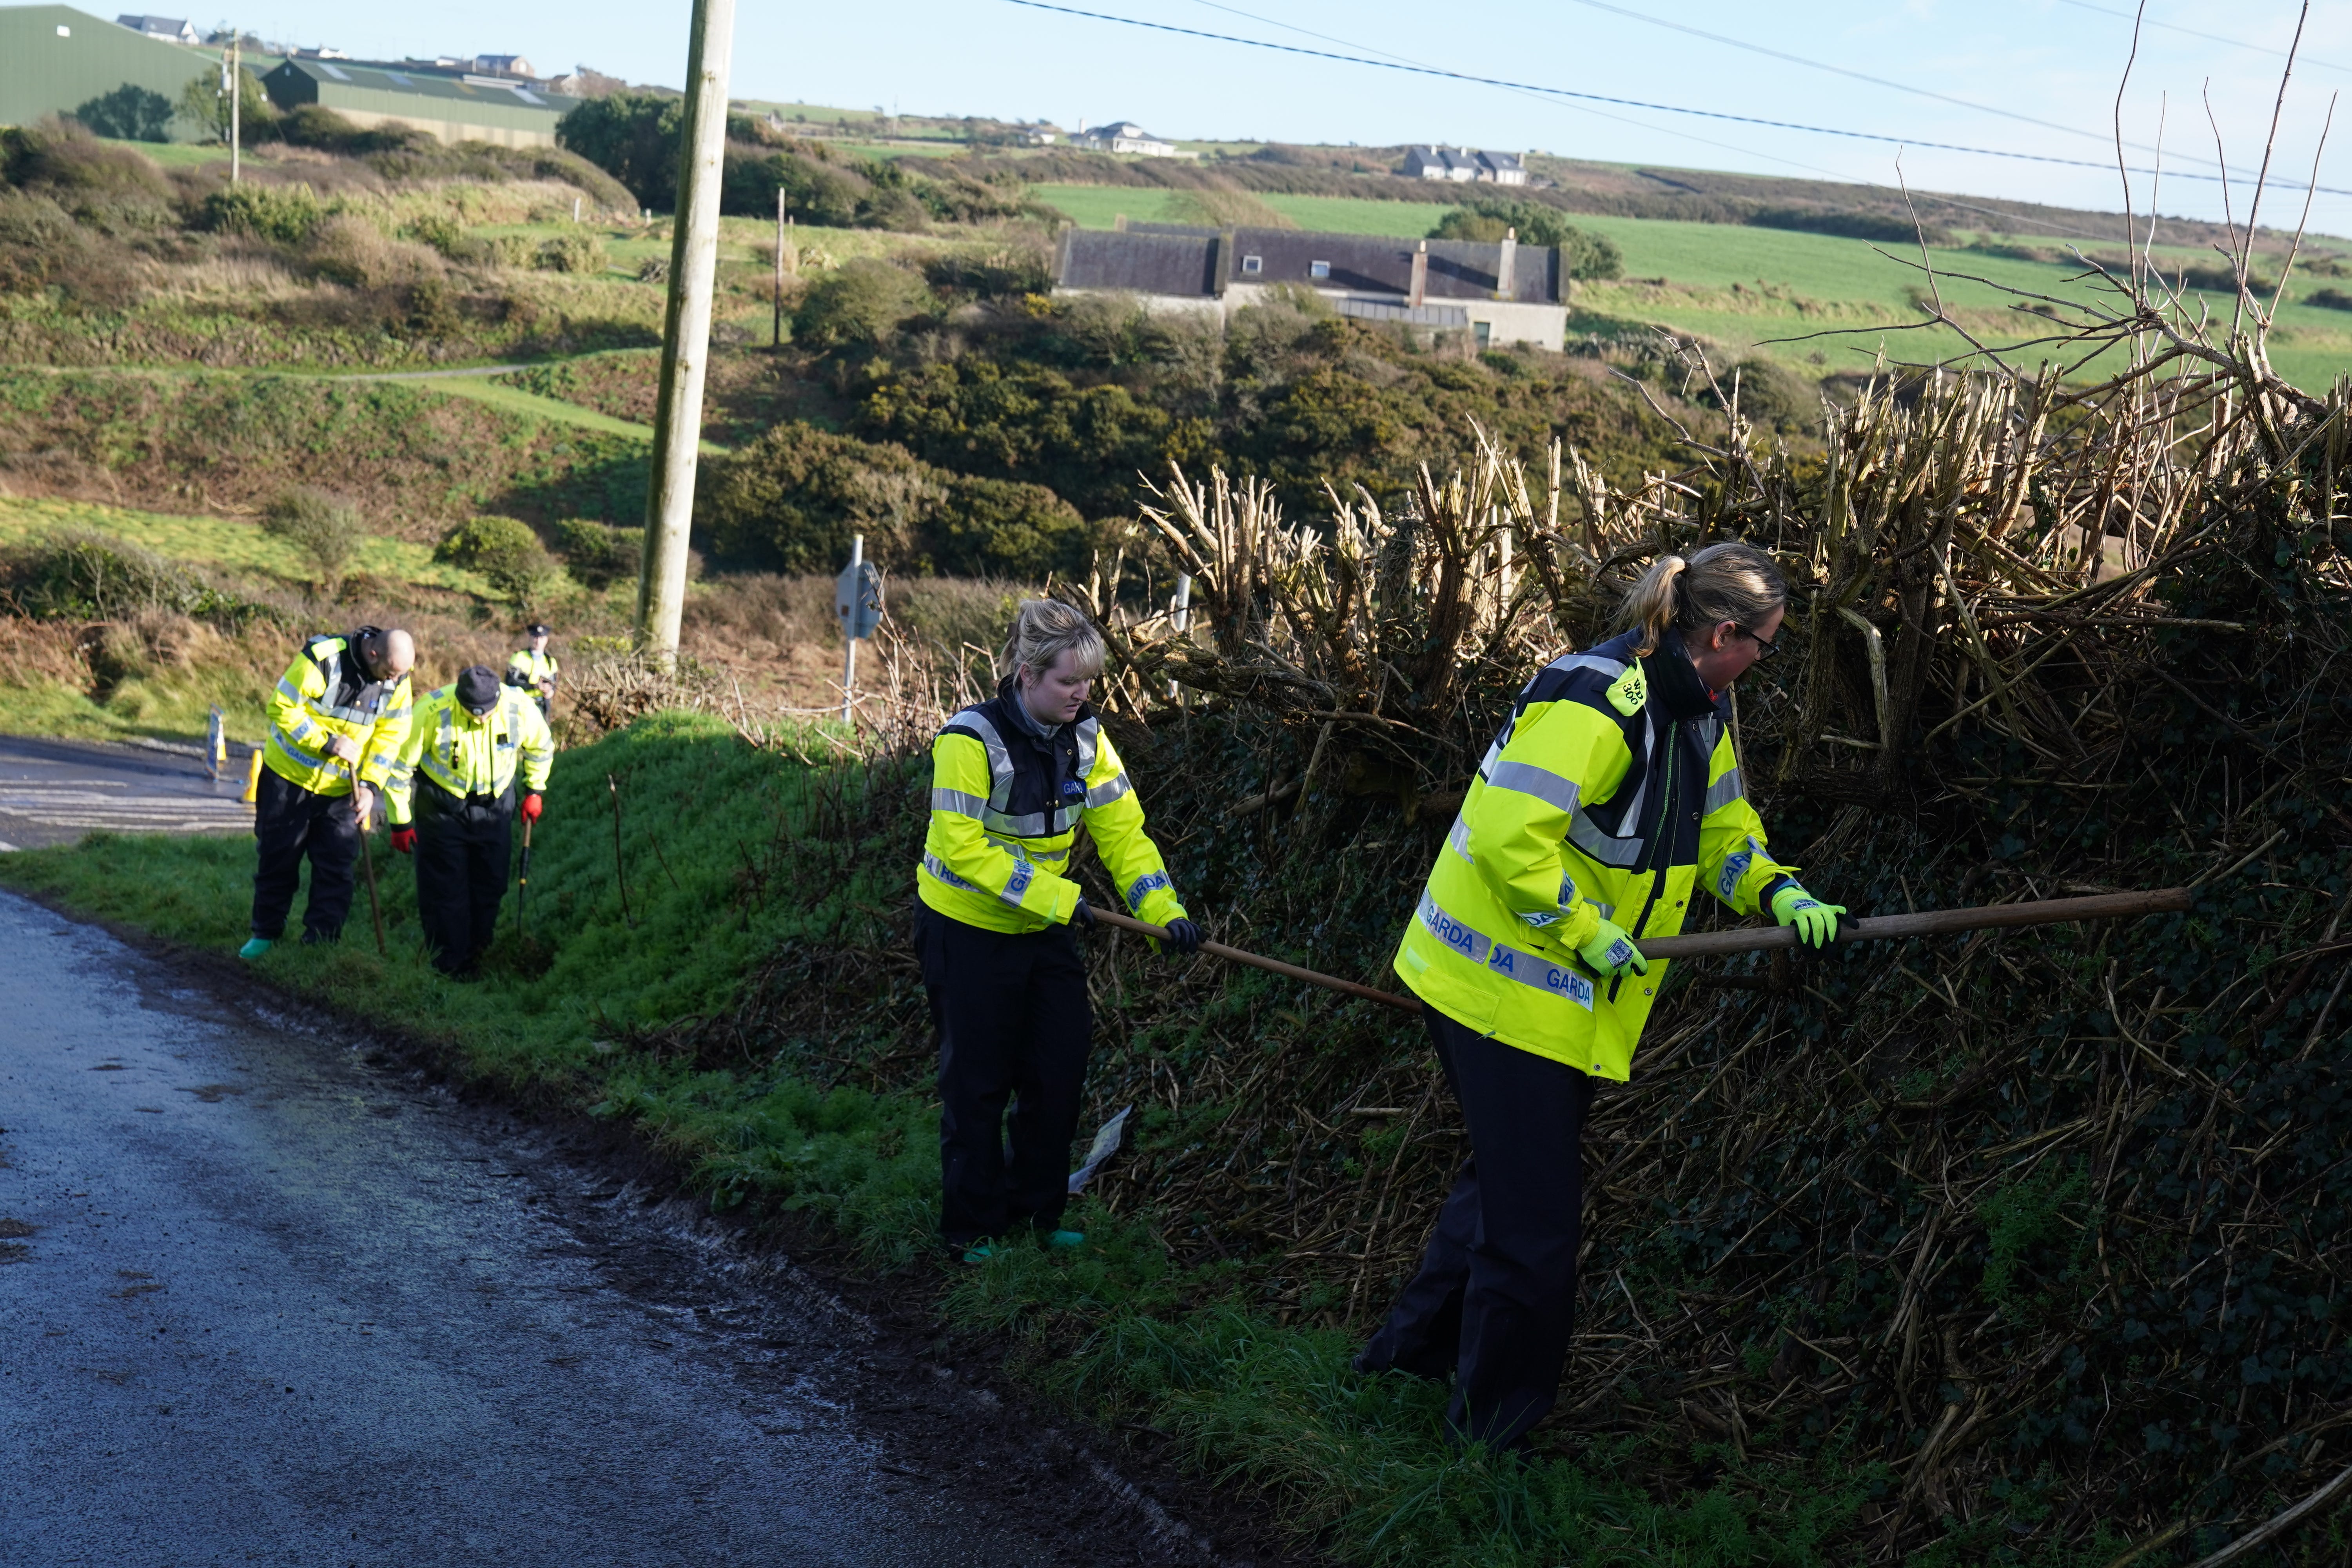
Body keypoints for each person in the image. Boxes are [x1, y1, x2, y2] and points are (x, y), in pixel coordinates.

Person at [1356, 541, 1849, 1452]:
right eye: (1767, 646)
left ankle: (1405, 1358)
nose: (1765, 666)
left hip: (1558, 991)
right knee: (1534, 1228)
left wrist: (1777, 889)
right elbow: (1511, 842)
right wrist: (1588, 932)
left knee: (1503, 1185)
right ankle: (1491, 1432)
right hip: (1496, 983)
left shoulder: (1703, 704)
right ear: (1725, 632)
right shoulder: (1594, 701)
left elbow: (1724, 830)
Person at [915, 599, 1202, 1263]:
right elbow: (961, 848)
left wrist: (1166, 913)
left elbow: (1125, 836)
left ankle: (1038, 1213)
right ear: (1026, 674)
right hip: (967, 931)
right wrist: (1053, 897)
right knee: (978, 1085)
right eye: (1068, 681)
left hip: (1044, 929)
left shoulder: (1089, 741)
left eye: (1089, 682)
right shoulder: (968, 740)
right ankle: (972, 1231)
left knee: (1058, 1072)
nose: (1082, 695)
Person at [241, 626, 416, 958]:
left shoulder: (399, 678)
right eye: (390, 672)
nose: (394, 680)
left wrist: (370, 787)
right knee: (278, 859)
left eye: (400, 675)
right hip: (288, 778)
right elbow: (282, 707)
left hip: (342, 792)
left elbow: (391, 736)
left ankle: (321, 945)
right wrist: (327, 742)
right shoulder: (323, 658)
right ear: (373, 653)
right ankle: (265, 934)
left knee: (336, 867)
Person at [383, 664, 554, 978]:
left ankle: (480, 955)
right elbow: (398, 769)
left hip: (496, 807)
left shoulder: (519, 708)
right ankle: (449, 966)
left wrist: (535, 789)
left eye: (486, 714)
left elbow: (541, 749)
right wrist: (400, 822)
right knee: (446, 891)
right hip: (442, 808)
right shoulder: (431, 710)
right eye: (472, 713)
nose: (480, 719)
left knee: (491, 884)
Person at [505, 624, 558, 718]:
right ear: (530, 638)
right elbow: (510, 682)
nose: (538, 642)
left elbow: (554, 684)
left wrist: (551, 692)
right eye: (535, 637)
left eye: (541, 638)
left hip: (542, 707)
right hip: (521, 706)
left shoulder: (551, 661)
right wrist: (534, 686)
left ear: (546, 640)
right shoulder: (519, 657)